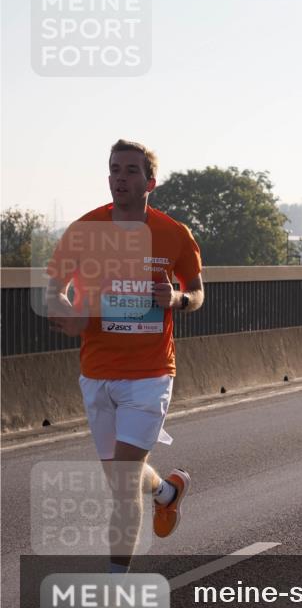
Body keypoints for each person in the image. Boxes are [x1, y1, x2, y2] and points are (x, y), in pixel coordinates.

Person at [46, 139, 204, 574]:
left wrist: (176, 298)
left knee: (122, 484)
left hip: (150, 375)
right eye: (115, 169)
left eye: (131, 171)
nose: (120, 177)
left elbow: (197, 292)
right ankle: (167, 493)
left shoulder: (173, 234)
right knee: (124, 475)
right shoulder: (84, 230)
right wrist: (65, 310)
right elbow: (54, 288)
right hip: (97, 372)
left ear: (150, 182)